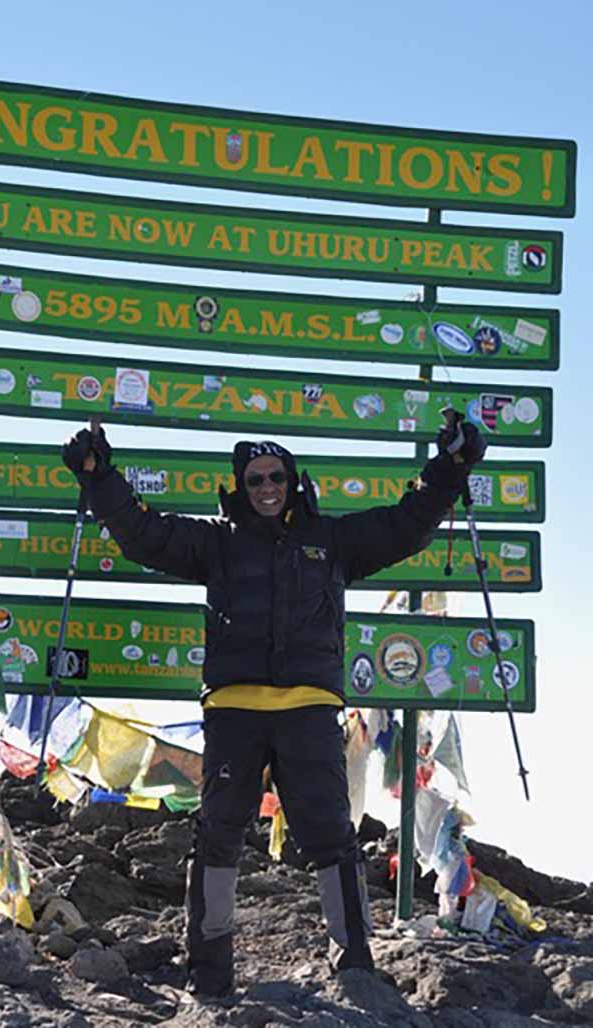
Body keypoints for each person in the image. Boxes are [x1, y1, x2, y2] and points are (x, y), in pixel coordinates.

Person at [63, 416, 485, 997]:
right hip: (234, 711)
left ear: (293, 481)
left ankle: (355, 967)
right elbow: (143, 533)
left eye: (277, 476)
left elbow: (405, 525)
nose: (267, 486)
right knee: (217, 839)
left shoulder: (333, 542)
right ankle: (209, 978)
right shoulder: (214, 541)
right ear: (240, 485)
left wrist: (452, 467)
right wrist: (100, 476)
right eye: (256, 477)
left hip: (310, 711)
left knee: (334, 838)